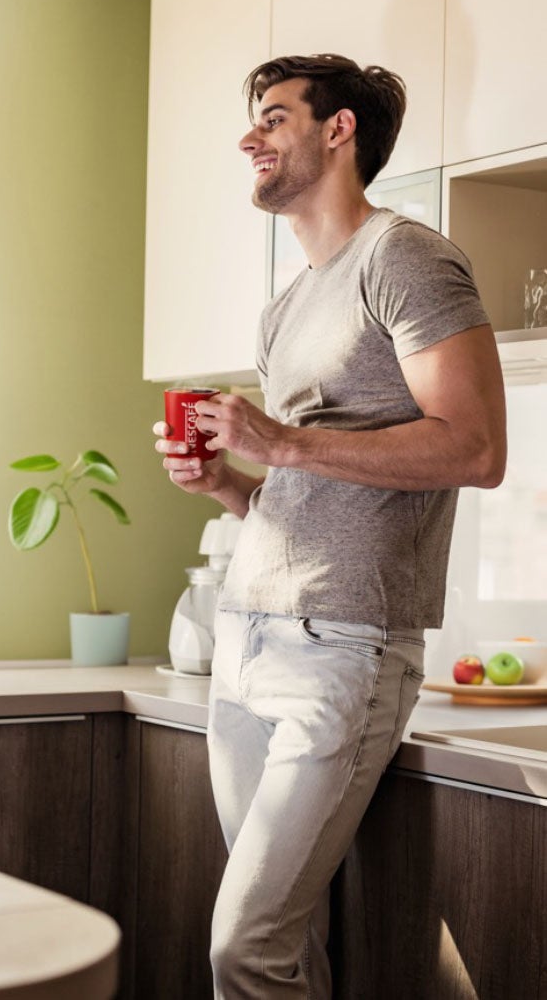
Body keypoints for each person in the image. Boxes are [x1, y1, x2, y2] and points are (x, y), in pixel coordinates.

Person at [155, 54, 506, 997]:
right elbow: (301, 487)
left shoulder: (407, 256)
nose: (248, 138)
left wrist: (284, 444)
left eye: (272, 117)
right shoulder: (286, 308)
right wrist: (231, 482)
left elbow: (476, 449)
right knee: (283, 945)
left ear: (338, 130)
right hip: (247, 640)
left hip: (342, 648)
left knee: (244, 946)